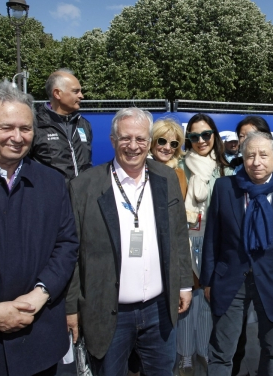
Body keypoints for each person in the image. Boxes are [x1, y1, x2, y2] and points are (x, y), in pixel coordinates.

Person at [0, 81, 78, 376]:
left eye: (25, 128)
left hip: (41, 342)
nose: (17, 137)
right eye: (6, 127)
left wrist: (40, 294)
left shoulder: (51, 182)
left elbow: (67, 244)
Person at [66, 108, 192, 375]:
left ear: (148, 141)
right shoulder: (84, 186)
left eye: (140, 139)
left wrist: (184, 285)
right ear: (112, 140)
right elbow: (72, 253)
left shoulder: (166, 178)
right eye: (125, 138)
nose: (133, 146)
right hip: (108, 313)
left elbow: (179, 235)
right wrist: (71, 307)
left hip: (159, 310)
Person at [201, 131, 273, 375]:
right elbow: (212, 236)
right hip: (230, 280)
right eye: (250, 156)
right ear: (242, 158)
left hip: (272, 281)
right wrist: (207, 280)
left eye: (263, 155)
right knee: (222, 351)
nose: (256, 162)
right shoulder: (225, 187)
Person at [177, 114, 234, 371]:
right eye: (194, 136)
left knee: (208, 302)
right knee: (187, 300)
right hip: (185, 240)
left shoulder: (226, 169)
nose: (201, 141)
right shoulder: (179, 166)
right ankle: (185, 357)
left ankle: (205, 354)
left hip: (214, 243)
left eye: (206, 135)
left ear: (215, 136)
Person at [29, 69, 92, 184]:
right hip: (50, 198)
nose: (81, 96)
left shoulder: (83, 124)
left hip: (82, 198)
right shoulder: (34, 125)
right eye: (75, 91)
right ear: (57, 93)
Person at [150, 117, 188, 199]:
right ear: (152, 142)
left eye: (173, 144)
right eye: (162, 141)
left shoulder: (180, 173)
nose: (167, 147)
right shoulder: (140, 171)